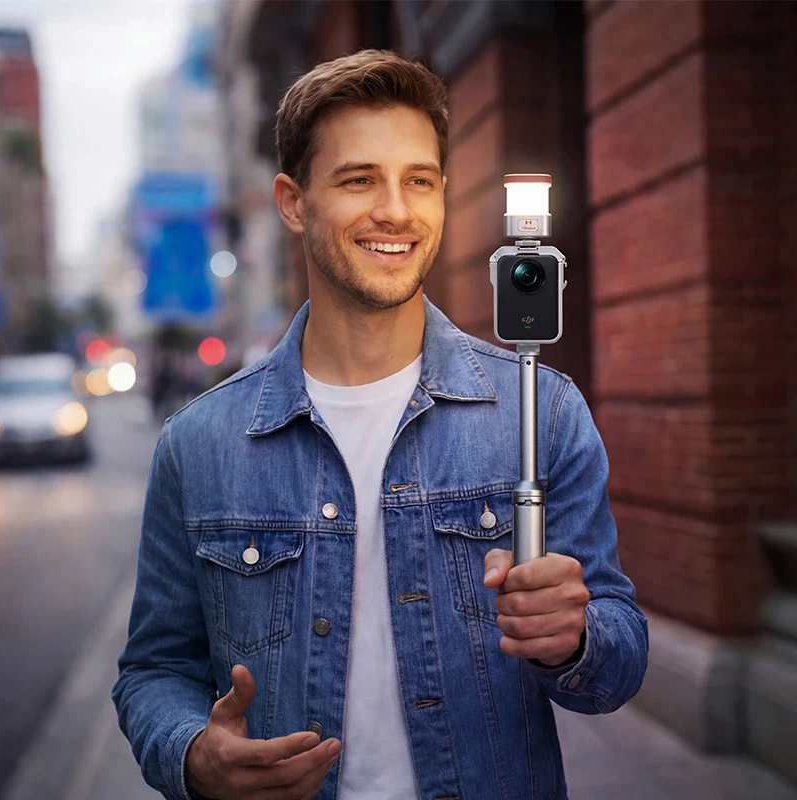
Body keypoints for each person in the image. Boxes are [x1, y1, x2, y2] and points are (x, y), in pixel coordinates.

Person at [113, 49, 648, 800]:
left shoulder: (542, 412)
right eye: (360, 179)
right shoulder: (197, 445)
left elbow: (615, 667)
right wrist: (193, 753)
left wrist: (577, 639)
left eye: (418, 181)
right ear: (294, 202)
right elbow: (154, 670)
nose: (395, 209)